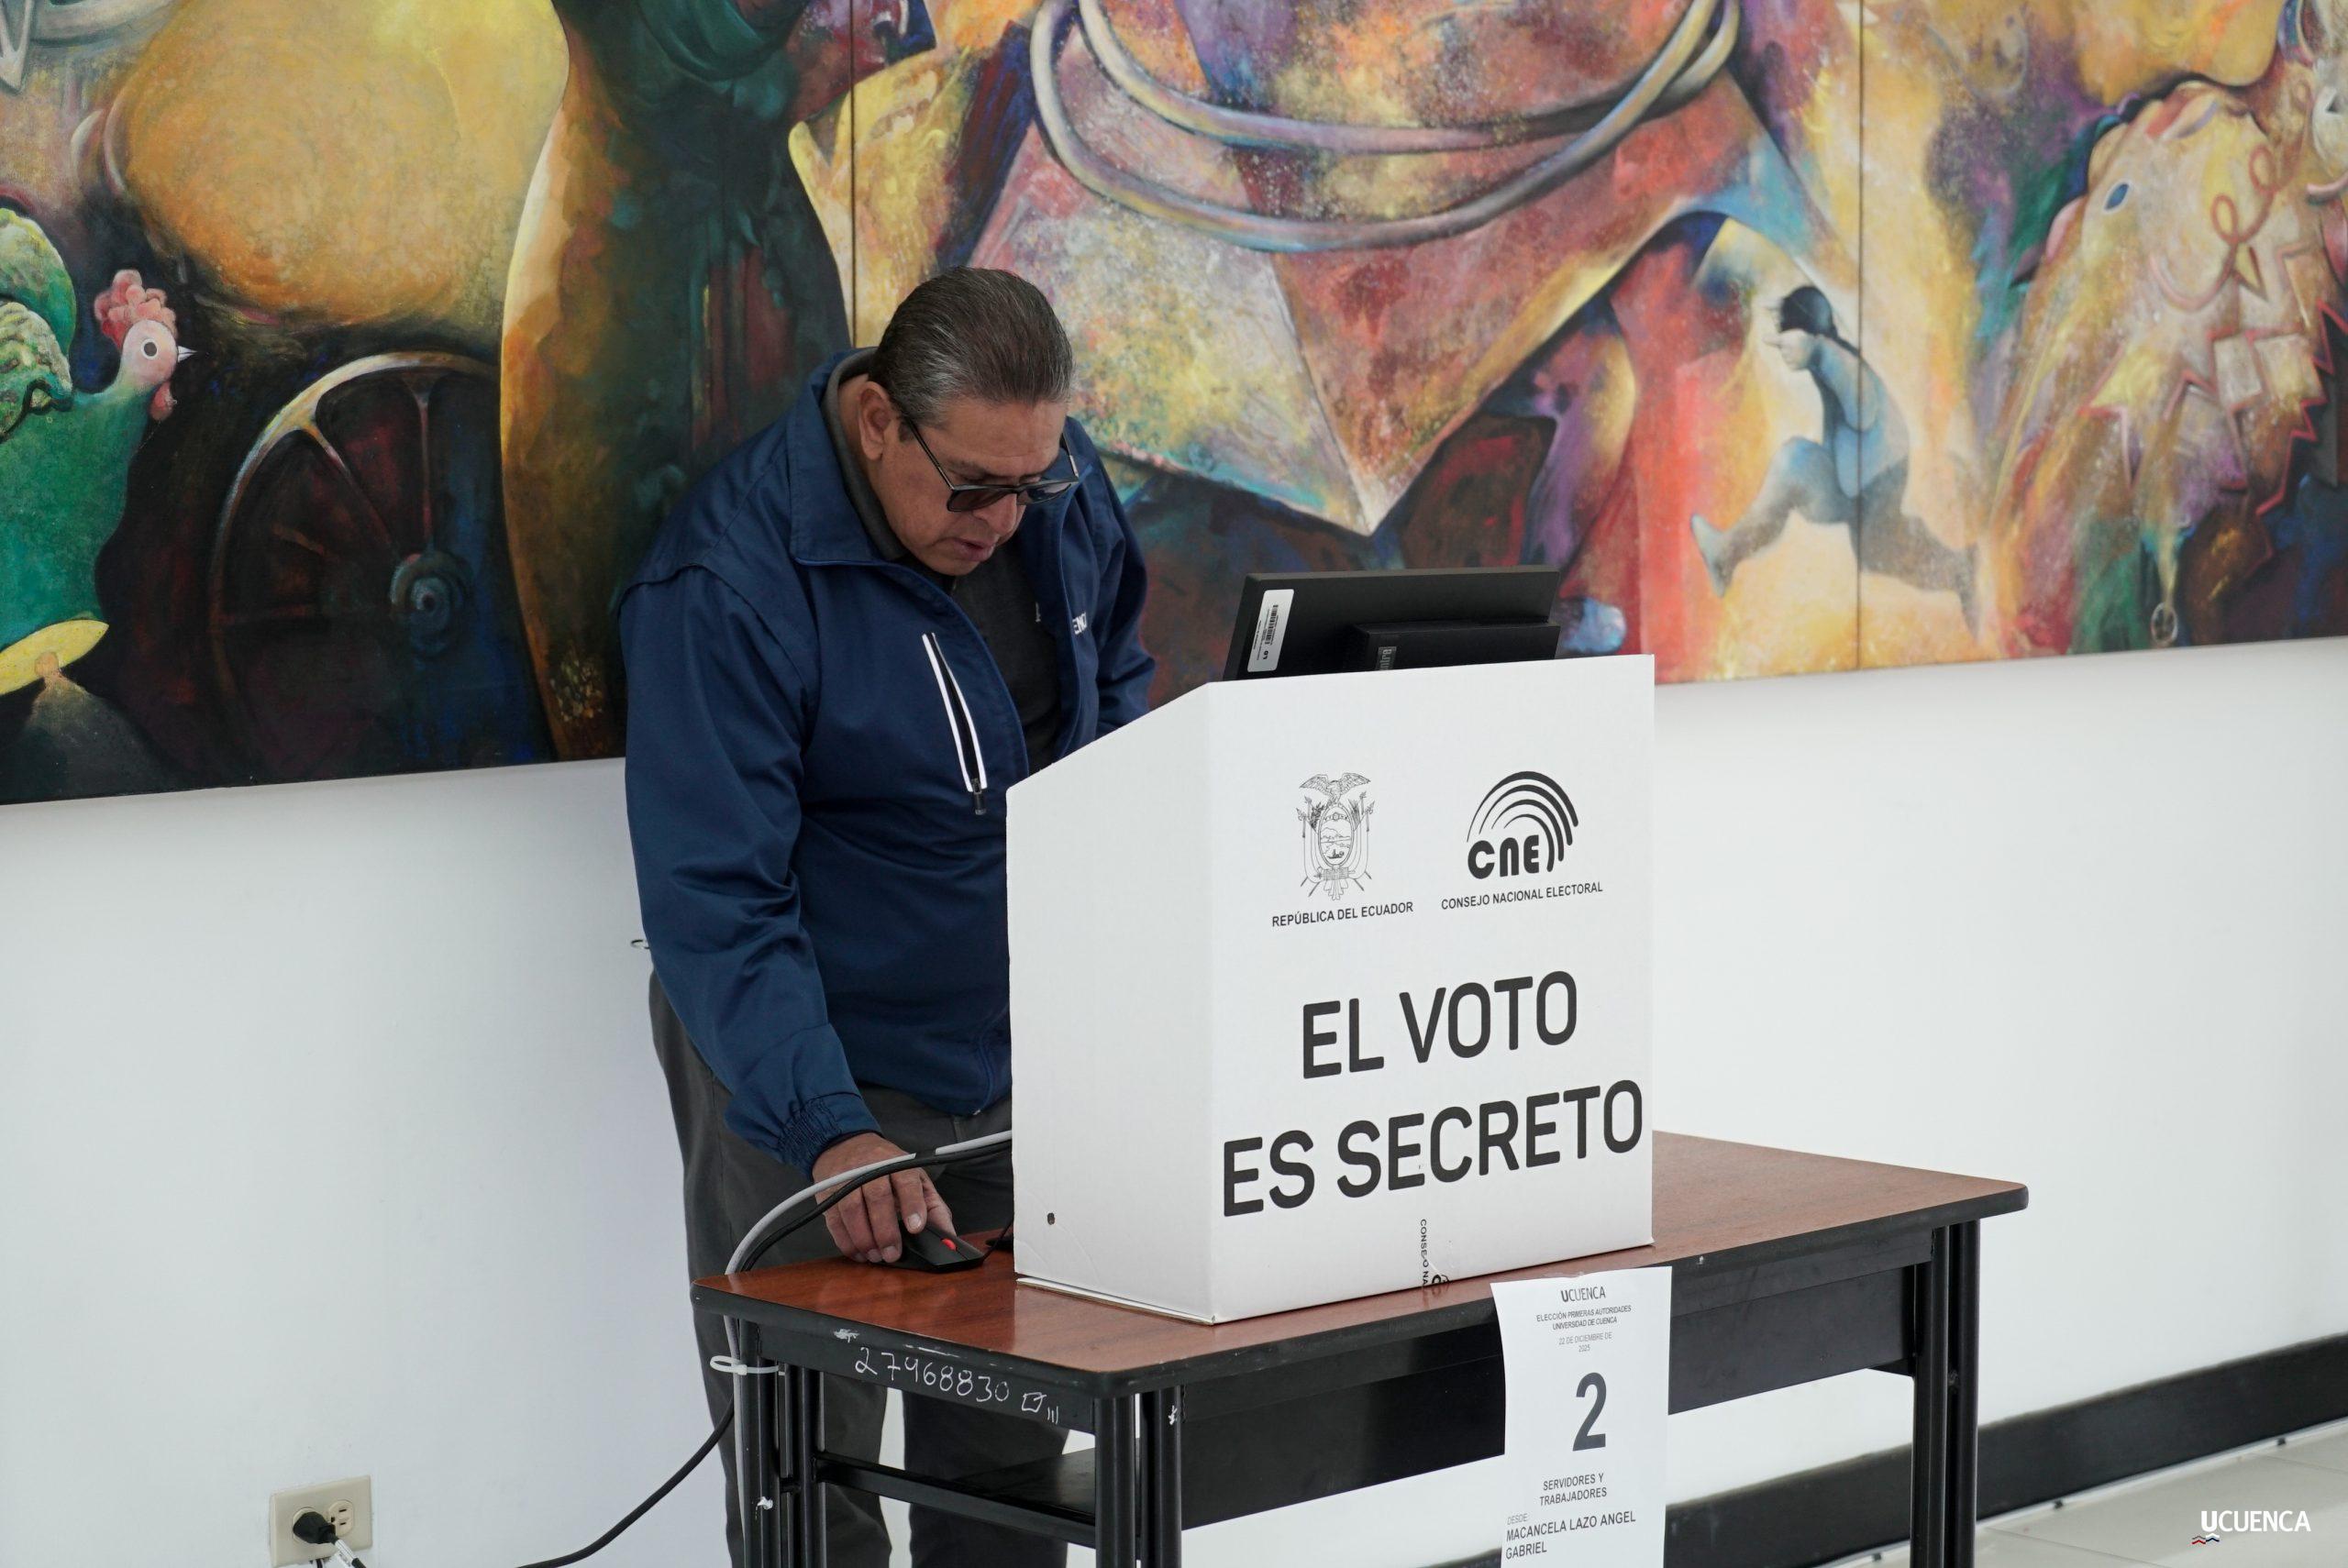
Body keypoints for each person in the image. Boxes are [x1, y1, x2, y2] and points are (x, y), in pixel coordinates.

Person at [619, 267, 1154, 1567]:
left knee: (1012, 1467)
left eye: (1032, 483)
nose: (1004, 518)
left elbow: (1119, 679)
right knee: (810, 1478)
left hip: (1009, 1060)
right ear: (877, 423)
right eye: (971, 489)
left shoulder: (1044, 483)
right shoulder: (726, 581)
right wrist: (830, 1127)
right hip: (810, 1076)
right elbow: (716, 897)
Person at [1691, 286, 1978, 630]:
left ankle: (1961, 569)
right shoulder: (1827, 360)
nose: (1784, 347)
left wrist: (1818, 352)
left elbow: (1863, 408)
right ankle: (1725, 555)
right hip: (1853, 477)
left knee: (1879, 554)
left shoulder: (1838, 360)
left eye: (1790, 336)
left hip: (1878, 478)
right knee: (1793, 464)